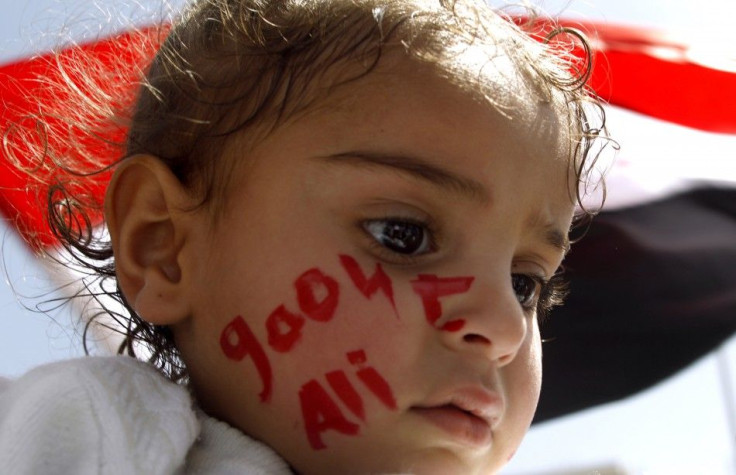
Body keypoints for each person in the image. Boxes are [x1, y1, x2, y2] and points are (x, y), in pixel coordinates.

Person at [0, 0, 606, 472]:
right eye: (404, 235)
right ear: (164, 247)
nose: (502, 326)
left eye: (525, 283)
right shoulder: (86, 433)